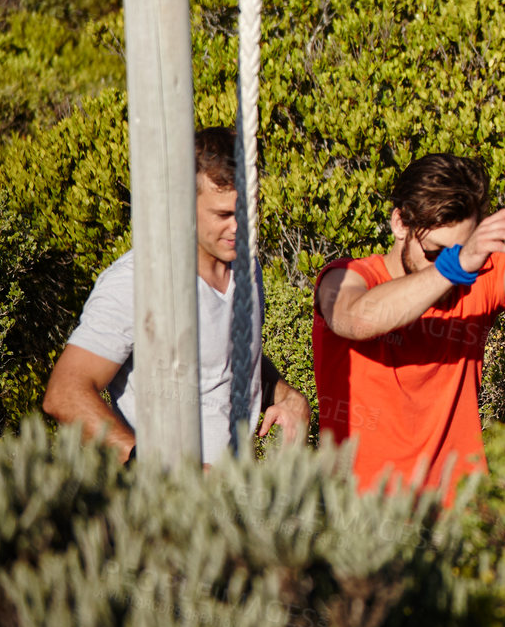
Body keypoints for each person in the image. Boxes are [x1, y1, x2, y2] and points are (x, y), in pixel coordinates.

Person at [313, 140, 505, 502]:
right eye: (433, 252)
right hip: (363, 516)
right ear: (400, 222)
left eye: (459, 250)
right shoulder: (347, 277)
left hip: (460, 514)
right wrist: (455, 265)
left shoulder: (474, 275)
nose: (444, 262)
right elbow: (356, 318)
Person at [44, 127, 311, 463]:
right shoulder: (140, 281)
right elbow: (65, 392)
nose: (240, 227)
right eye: (224, 215)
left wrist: (286, 395)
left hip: (236, 500)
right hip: (163, 506)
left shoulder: (247, 265)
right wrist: (160, 470)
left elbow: (228, 357)